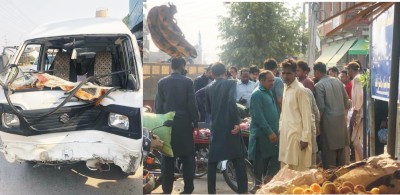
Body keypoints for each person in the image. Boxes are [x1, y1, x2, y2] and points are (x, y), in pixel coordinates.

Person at [154, 58, 199, 194]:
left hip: (167, 125)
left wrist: (161, 122)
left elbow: (158, 106)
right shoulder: (188, 82)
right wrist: (195, 121)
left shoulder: (162, 82)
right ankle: (187, 189)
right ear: (183, 66)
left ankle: (167, 190)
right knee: (188, 158)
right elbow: (191, 104)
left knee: (167, 158)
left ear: (171, 66)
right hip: (184, 125)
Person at [205, 62, 248, 194]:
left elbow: (208, 110)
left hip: (216, 128)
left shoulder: (208, 88)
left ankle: (211, 192)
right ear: (226, 72)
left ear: (212, 74)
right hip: (230, 127)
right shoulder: (231, 83)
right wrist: (236, 122)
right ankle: (243, 191)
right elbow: (231, 102)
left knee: (212, 162)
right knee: (239, 160)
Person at [314, 62, 350, 169]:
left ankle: (331, 184)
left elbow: (321, 107)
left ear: (317, 72)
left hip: (328, 124)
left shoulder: (319, 85)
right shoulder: (338, 81)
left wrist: (317, 124)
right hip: (340, 122)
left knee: (329, 161)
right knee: (341, 157)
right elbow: (346, 101)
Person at [278, 58, 312, 171]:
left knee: (298, 174)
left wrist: (305, 138)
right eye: (283, 73)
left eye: (289, 73)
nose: (285, 76)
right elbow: (284, 112)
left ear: (295, 73)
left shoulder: (300, 90)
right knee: (285, 171)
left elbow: (307, 115)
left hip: (297, 137)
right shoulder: (285, 87)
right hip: (285, 135)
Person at [248, 70, 280, 189]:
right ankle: (259, 188)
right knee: (260, 168)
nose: (272, 83)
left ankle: (267, 180)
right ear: (261, 81)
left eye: (273, 80)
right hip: (262, 136)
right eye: (269, 80)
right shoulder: (257, 94)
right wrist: (270, 132)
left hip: (271, 135)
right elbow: (258, 117)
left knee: (275, 159)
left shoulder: (268, 92)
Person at [346, 61, 364, 161]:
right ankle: (360, 162)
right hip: (360, 113)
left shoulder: (357, 79)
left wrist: (354, 113)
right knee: (356, 141)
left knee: (356, 141)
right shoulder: (358, 78)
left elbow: (359, 97)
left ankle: (365, 161)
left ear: (351, 70)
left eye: (348, 70)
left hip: (359, 114)